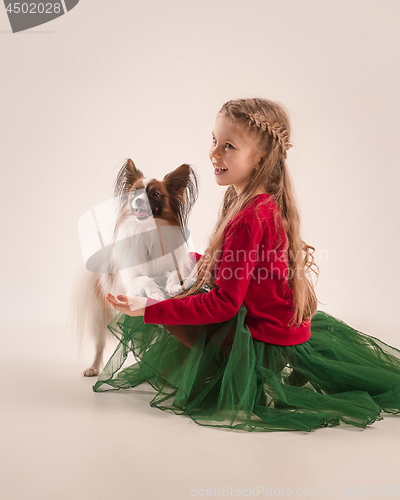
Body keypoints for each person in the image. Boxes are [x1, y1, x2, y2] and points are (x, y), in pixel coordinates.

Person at [94, 97, 400, 432]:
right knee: (172, 281)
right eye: (213, 141)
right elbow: (236, 268)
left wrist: (151, 309)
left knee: (167, 302)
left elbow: (225, 304)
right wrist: (185, 263)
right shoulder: (254, 200)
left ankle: (230, 370)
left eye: (228, 146)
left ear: (261, 158)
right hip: (271, 325)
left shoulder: (249, 217)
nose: (213, 153)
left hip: (259, 338)